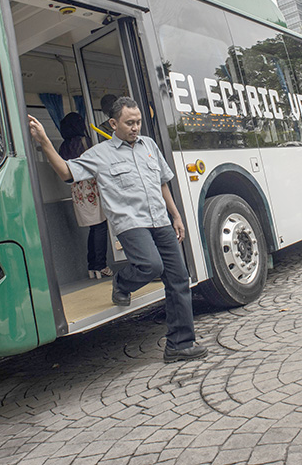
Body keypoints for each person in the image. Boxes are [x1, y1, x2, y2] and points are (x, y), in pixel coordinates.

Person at [29, 97, 208, 363]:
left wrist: (176, 215)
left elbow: (162, 183)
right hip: (130, 223)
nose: (136, 127)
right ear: (113, 123)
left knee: (179, 278)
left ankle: (180, 345)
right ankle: (121, 282)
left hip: (160, 219)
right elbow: (67, 172)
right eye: (129, 123)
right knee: (150, 265)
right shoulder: (100, 154)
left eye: (138, 122)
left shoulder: (150, 146)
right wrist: (45, 142)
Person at [57, 112, 112, 279]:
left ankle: (93, 266)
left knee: (93, 228)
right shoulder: (85, 141)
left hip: (78, 190)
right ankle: (101, 266)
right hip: (92, 187)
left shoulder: (63, 147)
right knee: (100, 226)